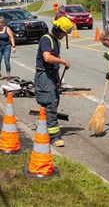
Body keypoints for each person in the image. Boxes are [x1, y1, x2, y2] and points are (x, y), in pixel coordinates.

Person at [34, 16, 73, 147]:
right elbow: (47, 57)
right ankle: (53, 136)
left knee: (50, 103)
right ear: (58, 30)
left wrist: (57, 78)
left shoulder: (56, 41)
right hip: (44, 76)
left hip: (51, 76)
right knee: (50, 103)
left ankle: (42, 127)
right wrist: (63, 61)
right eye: (64, 33)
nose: (64, 35)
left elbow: (54, 58)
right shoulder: (47, 39)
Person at [0, 16, 16, 81]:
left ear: (2, 23)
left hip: (7, 47)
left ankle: (8, 76)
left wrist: (13, 46)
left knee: (7, 62)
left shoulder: (7, 29)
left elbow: (11, 37)